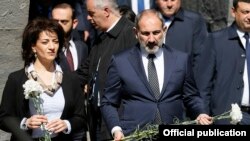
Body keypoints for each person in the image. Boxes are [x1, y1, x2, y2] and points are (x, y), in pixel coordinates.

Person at [101, 9, 212, 140]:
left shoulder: (181, 59)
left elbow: (191, 96)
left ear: (164, 30)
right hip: (135, 134)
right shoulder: (121, 61)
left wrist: (200, 113)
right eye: (145, 33)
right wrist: (116, 129)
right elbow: (108, 102)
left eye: (156, 33)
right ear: (135, 33)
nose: (152, 39)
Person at [0, 18, 87, 140]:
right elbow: (4, 118)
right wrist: (25, 123)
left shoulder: (71, 79)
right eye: (45, 42)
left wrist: (66, 124)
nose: (52, 47)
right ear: (33, 46)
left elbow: (81, 117)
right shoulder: (16, 79)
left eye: (55, 41)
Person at [76, 0, 138, 140]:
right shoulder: (102, 37)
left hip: (120, 125)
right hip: (97, 121)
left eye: (91, 14)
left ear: (106, 11)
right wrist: (52, 76)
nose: (87, 18)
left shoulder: (131, 35)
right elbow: (84, 73)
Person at [196, 0, 250, 124]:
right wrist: (202, 113)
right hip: (226, 118)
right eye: (245, 12)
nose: (249, 17)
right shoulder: (216, 41)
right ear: (233, 12)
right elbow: (203, 85)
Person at [155, 0, 208, 73]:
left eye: (173, 0)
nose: (169, 4)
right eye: (165, 0)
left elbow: (201, 58)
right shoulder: (147, 20)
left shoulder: (193, 21)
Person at [51, 3, 88, 72]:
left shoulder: (82, 48)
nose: (58, 25)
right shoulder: (48, 48)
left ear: (74, 23)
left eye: (64, 22)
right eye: (55, 21)